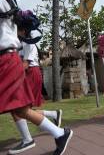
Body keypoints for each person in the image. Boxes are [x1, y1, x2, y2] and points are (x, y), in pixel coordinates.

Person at [0, 0, 72, 155]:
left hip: (26, 69)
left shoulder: (26, 41)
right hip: (13, 65)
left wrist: (19, 72)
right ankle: (55, 129)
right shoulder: (18, 37)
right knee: (19, 107)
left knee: (21, 106)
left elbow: (27, 62)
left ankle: (36, 136)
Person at [9, 25, 63, 154]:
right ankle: (54, 115)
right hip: (27, 74)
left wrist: (9, 77)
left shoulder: (28, 43)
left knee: (20, 108)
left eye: (16, 29)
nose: (14, 31)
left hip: (31, 74)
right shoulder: (21, 43)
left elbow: (26, 64)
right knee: (21, 109)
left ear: (23, 30)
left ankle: (28, 139)